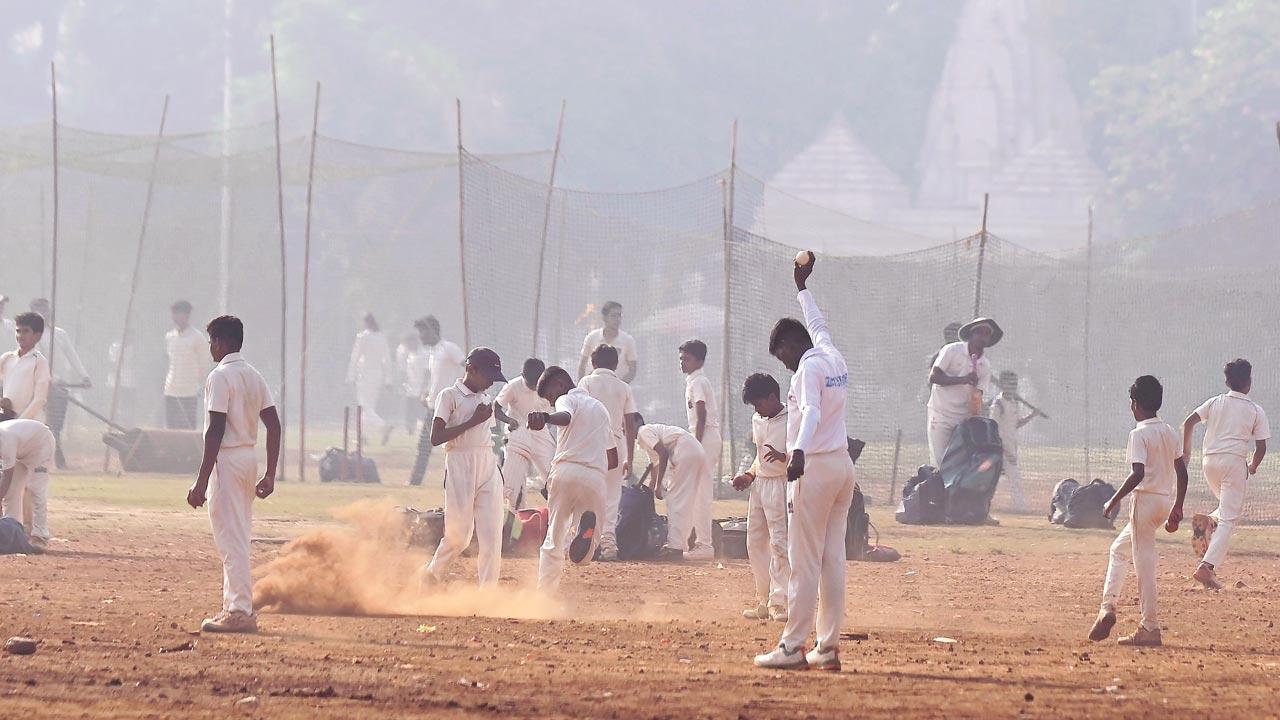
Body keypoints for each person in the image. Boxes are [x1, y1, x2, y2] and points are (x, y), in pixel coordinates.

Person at [753, 253, 854, 672]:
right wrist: (802, 288)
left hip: (812, 469)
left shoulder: (806, 371)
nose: (784, 364)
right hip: (841, 468)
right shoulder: (831, 354)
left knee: (804, 560)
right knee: (833, 560)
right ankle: (827, 647)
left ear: (790, 347)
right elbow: (818, 324)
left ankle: (793, 646)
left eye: (782, 356)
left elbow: (810, 411)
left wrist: (797, 452)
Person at [185, 315, 281, 634]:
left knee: (230, 538)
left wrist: (201, 481)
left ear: (225, 342)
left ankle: (240, 610)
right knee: (239, 533)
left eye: (212, 341)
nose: (211, 347)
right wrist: (270, 473)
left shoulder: (220, 376)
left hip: (226, 460)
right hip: (249, 457)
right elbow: (274, 425)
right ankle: (234, 605)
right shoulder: (254, 375)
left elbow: (215, 429)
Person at [1089, 375, 1188, 648]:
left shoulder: (1138, 433)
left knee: (1145, 567)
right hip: (1163, 503)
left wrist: (1112, 500)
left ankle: (1150, 627)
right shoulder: (1169, 431)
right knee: (1118, 550)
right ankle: (1107, 607)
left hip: (1143, 504)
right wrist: (1177, 506)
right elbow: (1182, 471)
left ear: (1135, 404)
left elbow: (1138, 473)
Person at [418, 348, 507, 589]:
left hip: (487, 464)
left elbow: (490, 426)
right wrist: (472, 422)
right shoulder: (449, 396)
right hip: (459, 463)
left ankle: (487, 592)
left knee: (492, 535)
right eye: (487, 375)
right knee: (460, 536)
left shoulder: (486, 397)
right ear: (471, 369)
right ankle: (432, 573)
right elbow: (436, 438)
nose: (490, 382)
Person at [1180, 359, 1269, 590]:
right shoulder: (1254, 410)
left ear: (1227, 381)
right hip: (1233, 464)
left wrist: (1186, 453)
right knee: (1230, 517)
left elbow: (1188, 423)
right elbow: (1261, 447)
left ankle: (1209, 521)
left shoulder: (1215, 402)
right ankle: (1206, 567)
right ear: (1249, 382)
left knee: (1227, 510)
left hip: (1209, 463)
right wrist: (1253, 467)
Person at [528, 366, 613, 594]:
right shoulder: (601, 409)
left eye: (550, 396)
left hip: (565, 471)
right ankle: (584, 539)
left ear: (561, 384)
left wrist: (546, 418)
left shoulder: (566, 399)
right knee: (587, 553)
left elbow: (565, 417)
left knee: (554, 537)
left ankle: (544, 596)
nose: (552, 401)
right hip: (595, 477)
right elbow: (612, 458)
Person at [731, 373, 790, 622]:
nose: (757, 410)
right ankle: (762, 600)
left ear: (772, 397)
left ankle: (780, 602)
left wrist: (783, 458)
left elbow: (806, 457)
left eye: (759, 403)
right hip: (760, 487)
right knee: (754, 543)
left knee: (779, 544)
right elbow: (760, 455)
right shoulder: (758, 418)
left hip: (782, 485)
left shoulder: (792, 419)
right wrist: (749, 475)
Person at [578, 344, 640, 560]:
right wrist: (629, 459)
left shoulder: (586, 382)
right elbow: (630, 424)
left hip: (592, 443)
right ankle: (608, 545)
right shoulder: (624, 387)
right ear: (615, 364)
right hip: (617, 443)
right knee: (612, 495)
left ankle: (585, 542)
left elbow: (580, 413)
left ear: (593, 363)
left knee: (587, 493)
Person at [926, 317, 1000, 467]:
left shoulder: (985, 366)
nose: (983, 336)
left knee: (959, 467)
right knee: (939, 466)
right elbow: (934, 377)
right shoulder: (951, 350)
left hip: (963, 421)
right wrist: (963, 379)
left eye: (987, 333)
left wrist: (976, 421)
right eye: (979, 331)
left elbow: (976, 397)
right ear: (971, 335)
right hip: (941, 415)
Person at [30, 298, 90, 470]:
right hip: (40, 385)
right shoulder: (30, 335)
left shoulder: (60, 333)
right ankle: (51, 457)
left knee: (57, 423)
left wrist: (84, 376)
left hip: (61, 385)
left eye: (46, 310)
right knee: (46, 421)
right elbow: (36, 360)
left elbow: (72, 356)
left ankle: (54, 452)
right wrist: (51, 378)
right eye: (40, 311)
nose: (44, 314)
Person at [635, 417, 706, 561]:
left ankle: (675, 548)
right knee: (684, 502)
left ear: (636, 422)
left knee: (675, 499)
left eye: (626, 424)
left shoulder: (643, 431)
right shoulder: (648, 438)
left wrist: (658, 485)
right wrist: (653, 487)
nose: (624, 429)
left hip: (685, 450)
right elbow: (655, 464)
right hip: (695, 450)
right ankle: (680, 545)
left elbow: (663, 454)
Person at [408, 315, 465, 486]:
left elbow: (468, 366)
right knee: (424, 445)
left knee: (455, 448)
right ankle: (414, 481)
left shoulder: (449, 348)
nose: (420, 337)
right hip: (434, 408)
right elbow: (436, 379)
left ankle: (454, 482)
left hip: (450, 408)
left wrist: (463, 392)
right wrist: (426, 395)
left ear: (432, 331)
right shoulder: (433, 352)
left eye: (422, 333)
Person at [494, 358, 554, 509]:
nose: (534, 387)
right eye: (530, 384)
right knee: (514, 484)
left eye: (537, 384)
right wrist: (509, 420)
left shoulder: (551, 386)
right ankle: (513, 519)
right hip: (517, 434)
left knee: (554, 475)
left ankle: (558, 510)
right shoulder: (513, 386)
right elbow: (496, 408)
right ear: (522, 376)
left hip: (540, 433)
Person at [679, 339, 718, 561]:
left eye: (687, 359)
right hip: (702, 438)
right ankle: (691, 542)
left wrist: (696, 444)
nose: (682, 362)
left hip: (706, 438)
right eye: (681, 358)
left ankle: (705, 545)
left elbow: (701, 414)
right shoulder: (692, 381)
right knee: (694, 492)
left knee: (702, 493)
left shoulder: (698, 382)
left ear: (700, 361)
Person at [989, 370, 1041, 513]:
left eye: (1014, 384)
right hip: (999, 448)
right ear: (1002, 384)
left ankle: (1019, 508)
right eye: (1009, 383)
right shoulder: (997, 405)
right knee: (998, 480)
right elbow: (993, 429)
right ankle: (1020, 508)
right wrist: (1004, 450)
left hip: (1011, 447)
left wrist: (1031, 415)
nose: (1012, 386)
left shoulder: (1014, 403)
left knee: (1009, 480)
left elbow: (1015, 424)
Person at [0, 418, 55, 552]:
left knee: (36, 489)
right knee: (12, 493)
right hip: (21, 452)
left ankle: (40, 535)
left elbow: (7, 475)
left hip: (41, 446)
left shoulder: (6, 439)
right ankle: (14, 532)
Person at [346, 312, 394, 445]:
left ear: (365, 322)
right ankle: (363, 436)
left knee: (365, 407)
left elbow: (355, 357)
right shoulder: (381, 337)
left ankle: (382, 426)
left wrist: (350, 376)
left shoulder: (363, 337)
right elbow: (387, 360)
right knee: (369, 407)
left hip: (364, 375)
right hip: (377, 375)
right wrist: (388, 380)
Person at [164, 300, 208, 430]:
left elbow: (203, 364)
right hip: (171, 390)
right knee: (171, 430)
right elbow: (170, 362)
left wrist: (201, 385)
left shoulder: (197, 338)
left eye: (181, 314)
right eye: (175, 314)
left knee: (187, 431)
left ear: (187, 315)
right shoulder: (169, 337)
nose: (178, 317)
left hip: (189, 392)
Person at [0, 312, 51, 422]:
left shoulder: (39, 362)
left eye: (25, 331)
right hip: (6, 419)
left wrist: (20, 421)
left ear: (37, 336)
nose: (20, 335)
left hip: (30, 423)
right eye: (18, 331)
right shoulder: (7, 358)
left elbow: (40, 399)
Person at [577, 301, 638, 383]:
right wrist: (582, 388)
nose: (617, 319)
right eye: (613, 316)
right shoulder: (592, 337)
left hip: (617, 391)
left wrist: (619, 386)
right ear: (604, 318)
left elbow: (632, 370)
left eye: (619, 315)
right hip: (593, 388)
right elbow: (582, 365)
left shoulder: (628, 340)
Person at [396, 331, 430, 434]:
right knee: (409, 410)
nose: (406, 346)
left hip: (421, 388)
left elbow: (427, 372)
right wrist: (403, 383)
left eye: (407, 343)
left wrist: (424, 388)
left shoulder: (424, 353)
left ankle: (427, 430)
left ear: (413, 342)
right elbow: (407, 372)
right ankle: (410, 430)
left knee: (421, 411)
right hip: (410, 388)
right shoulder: (410, 354)